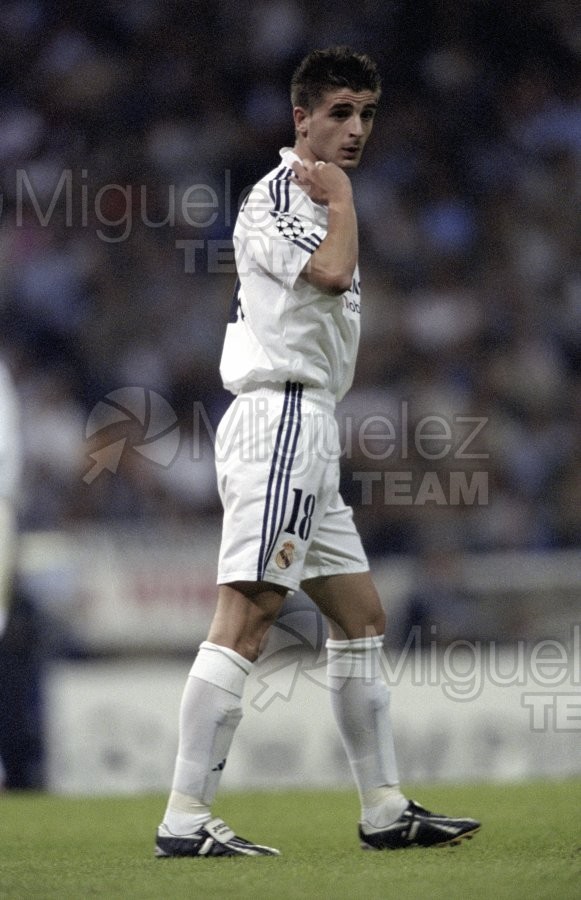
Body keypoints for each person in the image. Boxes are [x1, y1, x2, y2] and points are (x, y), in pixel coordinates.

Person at [156, 46, 480, 858]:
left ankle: (382, 808)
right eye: (340, 112)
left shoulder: (311, 194)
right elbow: (332, 275)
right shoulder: (284, 197)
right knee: (248, 616)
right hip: (279, 421)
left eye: (366, 113)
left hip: (310, 425)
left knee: (361, 617)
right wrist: (342, 200)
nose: (356, 129)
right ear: (300, 117)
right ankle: (185, 819)